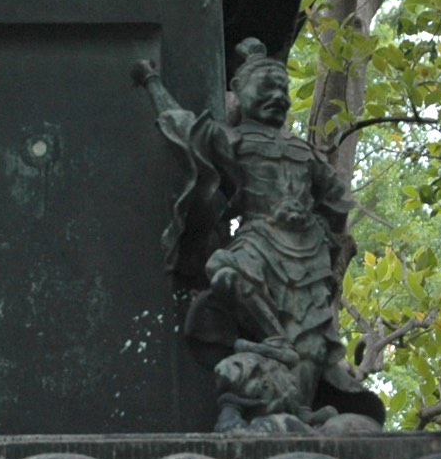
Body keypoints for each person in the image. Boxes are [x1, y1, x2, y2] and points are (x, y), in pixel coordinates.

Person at [135, 38, 382, 433]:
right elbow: (186, 127)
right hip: (259, 237)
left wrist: (325, 230)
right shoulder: (235, 140)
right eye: (266, 88)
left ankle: (299, 407)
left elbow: (336, 198)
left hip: (308, 252)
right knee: (225, 270)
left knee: (313, 340)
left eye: (283, 90)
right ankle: (272, 337)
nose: (277, 97)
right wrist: (152, 84)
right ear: (238, 89)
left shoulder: (303, 152)